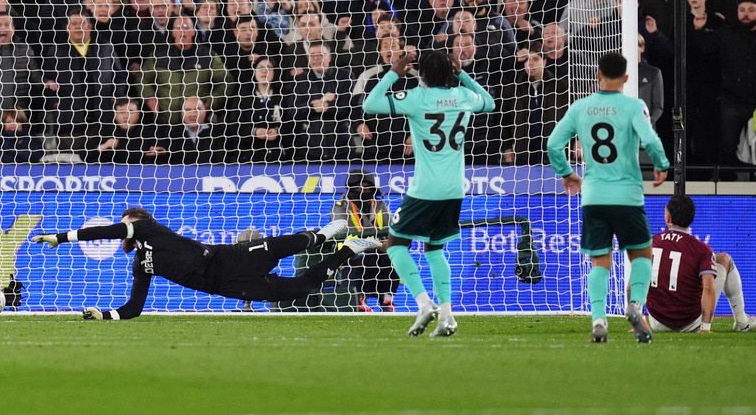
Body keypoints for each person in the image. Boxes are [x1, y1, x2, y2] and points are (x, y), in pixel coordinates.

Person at [30, 207, 380, 318]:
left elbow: (105, 231)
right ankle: (349, 249)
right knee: (301, 287)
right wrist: (104, 315)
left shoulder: (151, 229)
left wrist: (61, 238)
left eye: (126, 223)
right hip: (225, 285)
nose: (123, 228)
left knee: (282, 246)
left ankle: (321, 235)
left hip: (228, 257)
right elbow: (134, 308)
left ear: (138, 223)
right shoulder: (141, 264)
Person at [361, 50, 495, 337]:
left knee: (395, 245)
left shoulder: (416, 97)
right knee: (434, 249)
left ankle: (424, 304)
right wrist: (462, 74)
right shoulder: (464, 96)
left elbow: (370, 104)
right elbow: (490, 102)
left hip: (425, 189)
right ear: (451, 73)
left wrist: (394, 72)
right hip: (455, 189)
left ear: (421, 75)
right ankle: (447, 315)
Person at [546, 52, 669, 343]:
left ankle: (599, 320)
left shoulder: (580, 107)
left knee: (600, 262)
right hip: (627, 195)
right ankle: (636, 305)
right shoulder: (634, 106)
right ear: (626, 78)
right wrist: (662, 164)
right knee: (642, 255)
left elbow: (553, 144)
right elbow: (650, 139)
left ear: (598, 76)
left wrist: (566, 173)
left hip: (594, 196)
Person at [646, 195, 756, 333]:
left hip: (657, 322)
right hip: (691, 323)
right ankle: (742, 321)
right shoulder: (701, 249)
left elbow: (634, 283)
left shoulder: (649, 243)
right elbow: (709, 287)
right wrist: (705, 328)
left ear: (668, 217)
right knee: (724, 259)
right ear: (691, 219)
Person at [330, 169, 399, 312]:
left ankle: (387, 299)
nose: (363, 191)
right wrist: (379, 245)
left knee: (395, 255)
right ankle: (359, 299)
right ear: (351, 187)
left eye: (367, 188)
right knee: (360, 259)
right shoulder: (339, 207)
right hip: (350, 257)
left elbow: (390, 228)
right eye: (359, 187)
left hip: (378, 256)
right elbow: (347, 235)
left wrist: (395, 243)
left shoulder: (380, 205)